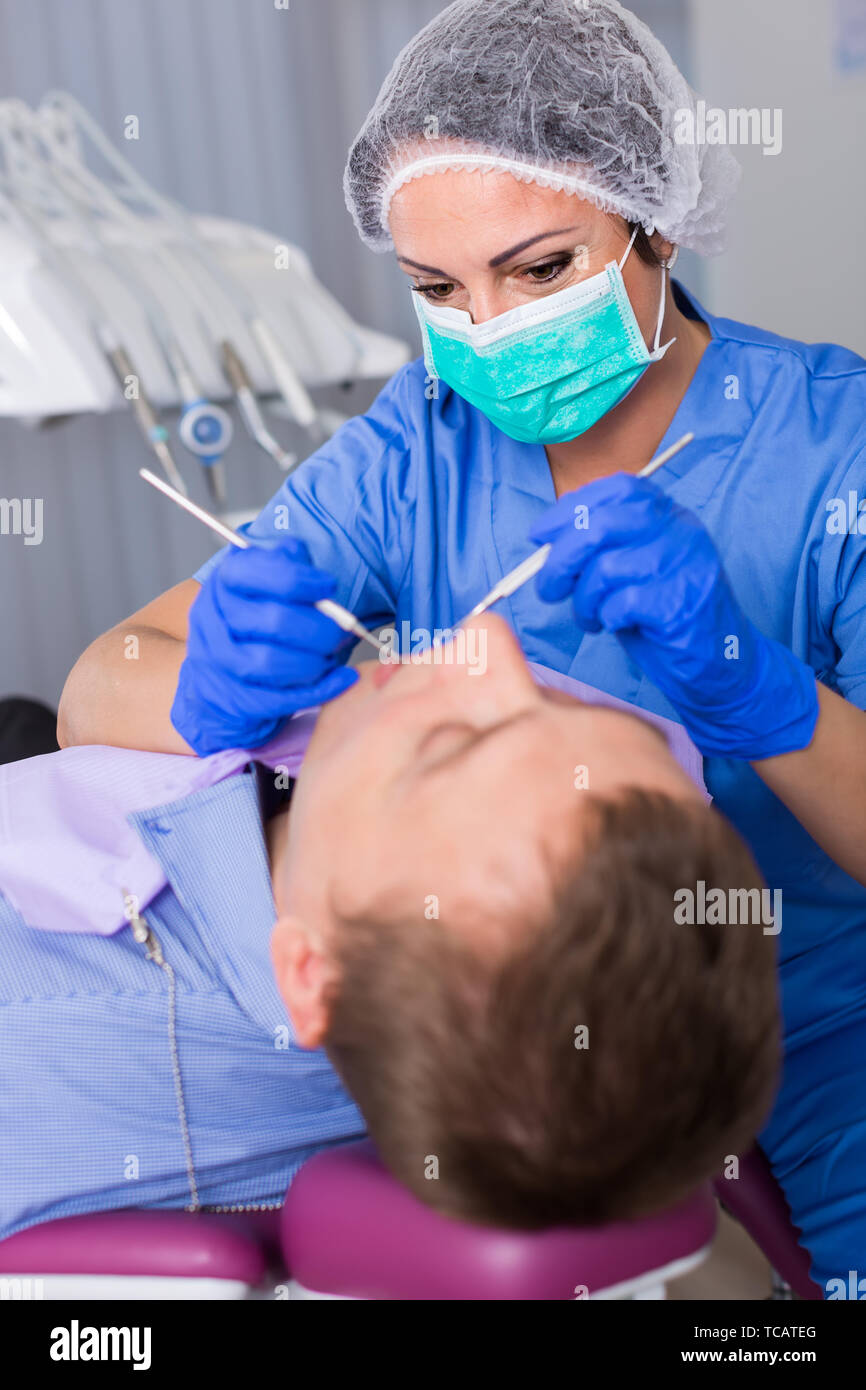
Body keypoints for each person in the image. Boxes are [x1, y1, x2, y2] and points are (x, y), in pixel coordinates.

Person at [56, 0, 866, 1290]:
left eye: (539, 270)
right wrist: (206, 688)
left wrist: (758, 691)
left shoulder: (835, 449)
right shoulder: (419, 442)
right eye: (439, 288)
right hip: (534, 1043)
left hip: (828, 1026)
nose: (487, 329)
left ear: (651, 219)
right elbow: (102, 685)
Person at [0, 620, 777, 1242]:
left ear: (309, 974)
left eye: (450, 746)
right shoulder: (543, 855)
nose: (490, 646)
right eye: (564, 709)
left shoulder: (39, 1012)